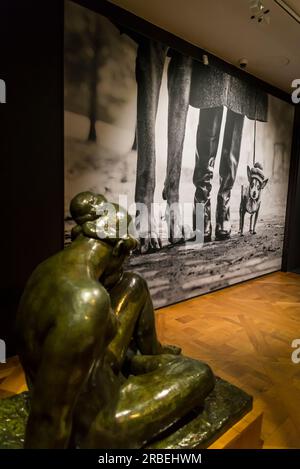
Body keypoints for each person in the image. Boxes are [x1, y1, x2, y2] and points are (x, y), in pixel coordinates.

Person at [16, 191, 214, 448]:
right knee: (198, 372)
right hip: (95, 424)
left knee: (133, 284)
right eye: (125, 258)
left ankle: (145, 356)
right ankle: (138, 363)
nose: (123, 267)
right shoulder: (88, 298)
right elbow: (47, 418)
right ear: (120, 248)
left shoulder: (48, 268)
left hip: (94, 371)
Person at [190, 62, 268, 241]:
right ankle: (201, 207)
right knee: (211, 96)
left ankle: (223, 206)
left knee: (237, 102)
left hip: (243, 57)